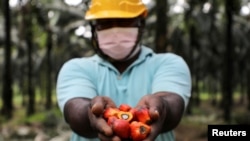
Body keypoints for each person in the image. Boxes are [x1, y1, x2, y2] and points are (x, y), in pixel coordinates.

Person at [56, 0, 192, 141]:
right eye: (105, 22)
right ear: (95, 28)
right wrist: (90, 114)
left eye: (124, 21)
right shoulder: (76, 68)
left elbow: (173, 106)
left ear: (141, 25)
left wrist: (161, 108)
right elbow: (75, 111)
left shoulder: (168, 63)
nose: (115, 30)